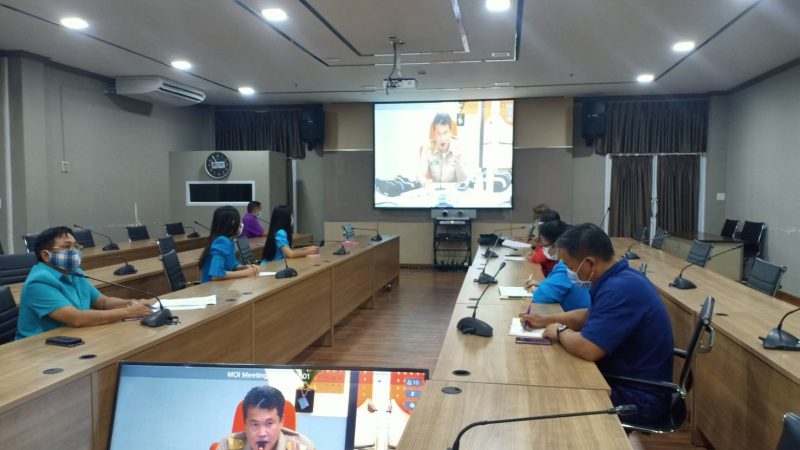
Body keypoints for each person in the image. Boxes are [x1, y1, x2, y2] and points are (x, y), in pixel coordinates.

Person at [520, 223, 674, 424]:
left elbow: (588, 348)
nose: (569, 272)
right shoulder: (620, 278)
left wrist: (559, 330)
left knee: (550, 396)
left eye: (570, 267)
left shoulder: (620, 289)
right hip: (620, 378)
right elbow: (587, 316)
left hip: (636, 396)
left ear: (590, 263)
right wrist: (545, 320)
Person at [15, 226, 154, 340]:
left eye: (76, 246)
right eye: (67, 247)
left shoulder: (74, 272)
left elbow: (103, 302)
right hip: (39, 347)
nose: (74, 251)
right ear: (46, 255)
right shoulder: (39, 282)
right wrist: (127, 312)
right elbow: (77, 318)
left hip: (70, 336)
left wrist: (132, 302)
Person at [218, 385, 316, 450]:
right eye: (255, 424)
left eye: (269, 423)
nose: (262, 433)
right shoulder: (228, 445)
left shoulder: (304, 447)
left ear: (281, 421)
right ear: (245, 423)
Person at [523, 220, 590, 312]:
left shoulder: (566, 268)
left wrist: (537, 289)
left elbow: (540, 297)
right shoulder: (577, 263)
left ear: (557, 246)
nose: (542, 248)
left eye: (544, 245)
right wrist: (541, 284)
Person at [199, 206, 261, 282]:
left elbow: (232, 265)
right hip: (211, 287)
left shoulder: (228, 240)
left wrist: (245, 267)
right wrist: (246, 272)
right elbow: (216, 275)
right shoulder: (222, 241)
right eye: (239, 220)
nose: (241, 223)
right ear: (233, 222)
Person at [417, 113, 467, 185]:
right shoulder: (427, 148)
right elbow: (420, 174)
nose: (442, 138)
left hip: (454, 191)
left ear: (450, 132)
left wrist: (458, 161)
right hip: (434, 190)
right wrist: (425, 183)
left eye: (445, 133)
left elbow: (463, 180)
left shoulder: (459, 146)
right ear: (434, 134)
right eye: (438, 133)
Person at [529, 209, 561, 276]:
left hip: (550, 276)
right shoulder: (553, 242)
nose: (537, 223)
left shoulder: (553, 247)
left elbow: (535, 259)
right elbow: (536, 251)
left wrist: (534, 254)